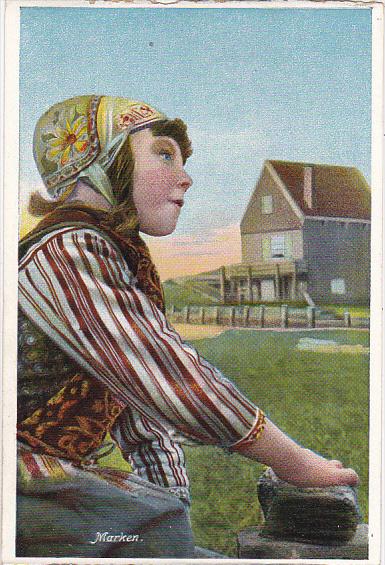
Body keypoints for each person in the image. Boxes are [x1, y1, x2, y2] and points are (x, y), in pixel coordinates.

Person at [17, 95, 358, 558]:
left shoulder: (113, 254)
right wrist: (295, 463)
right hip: (17, 478)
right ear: (100, 166)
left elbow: (141, 415)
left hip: (43, 479)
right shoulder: (68, 250)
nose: (186, 176)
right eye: (162, 153)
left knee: (160, 521)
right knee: (144, 523)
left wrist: (173, 506)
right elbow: (170, 378)